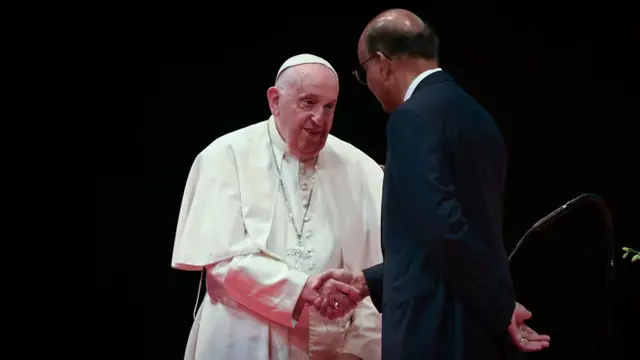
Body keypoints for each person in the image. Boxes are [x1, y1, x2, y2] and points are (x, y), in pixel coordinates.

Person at [311, 9, 551, 360]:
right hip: (474, 327)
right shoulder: (479, 117)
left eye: (365, 73)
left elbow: (443, 230)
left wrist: (502, 306)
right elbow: (466, 238)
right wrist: (367, 282)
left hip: (431, 330)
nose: (371, 86)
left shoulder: (410, 119)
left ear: (382, 63)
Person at [170, 53, 384, 360]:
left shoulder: (361, 168)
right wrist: (301, 288)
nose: (319, 119)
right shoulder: (225, 156)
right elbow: (221, 260)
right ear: (274, 100)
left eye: (329, 106)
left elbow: (373, 277)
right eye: (307, 103)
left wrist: (358, 352)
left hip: (330, 348)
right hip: (240, 341)